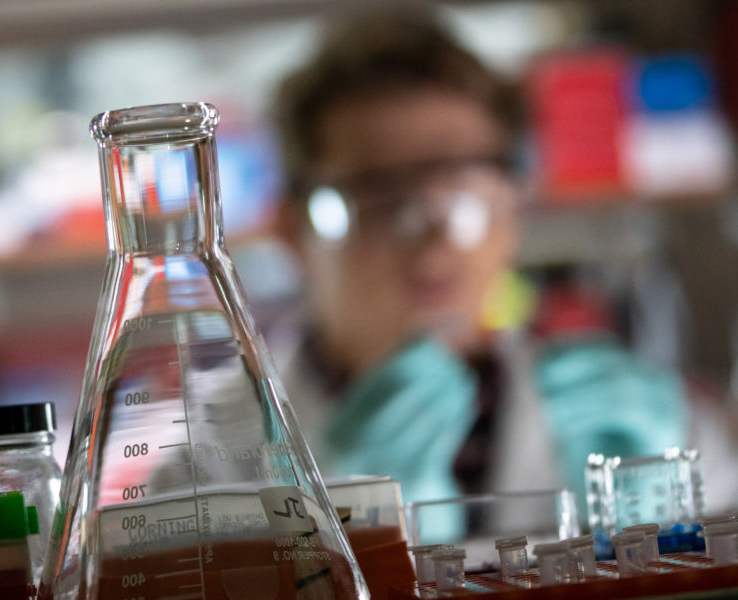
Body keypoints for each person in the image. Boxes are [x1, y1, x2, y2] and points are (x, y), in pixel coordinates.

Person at [266, 8, 690, 510]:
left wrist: (665, 529)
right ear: (293, 231)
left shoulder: (629, 418)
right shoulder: (209, 464)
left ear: (513, 214)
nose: (435, 245)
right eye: (382, 203)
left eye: (467, 194)